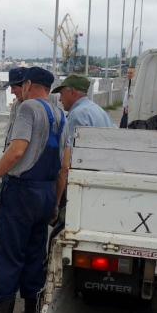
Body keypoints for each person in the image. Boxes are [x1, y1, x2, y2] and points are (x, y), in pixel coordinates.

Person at [0, 67, 66, 313]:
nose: (17, 91)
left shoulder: (27, 108)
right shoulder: (60, 114)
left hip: (21, 191)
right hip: (46, 192)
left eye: (20, 86)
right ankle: (31, 312)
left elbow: (16, 151)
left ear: (28, 84)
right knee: (34, 253)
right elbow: (64, 166)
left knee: (8, 253)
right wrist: (56, 202)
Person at [49, 74, 116, 236]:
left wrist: (57, 199)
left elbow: (69, 159)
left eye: (62, 94)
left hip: (85, 182)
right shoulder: (98, 110)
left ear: (72, 92)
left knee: (63, 228)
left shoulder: (77, 114)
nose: (60, 100)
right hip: (104, 177)